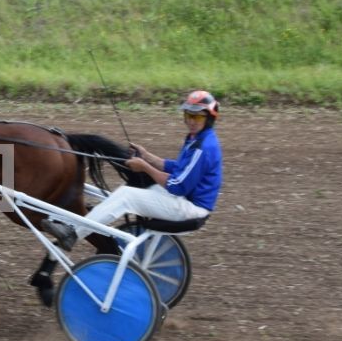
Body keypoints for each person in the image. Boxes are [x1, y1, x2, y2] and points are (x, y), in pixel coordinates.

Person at [42, 91, 223, 250]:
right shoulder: (195, 138)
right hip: (184, 199)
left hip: (190, 207)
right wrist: (147, 156)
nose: (191, 121)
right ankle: (79, 224)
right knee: (128, 193)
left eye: (198, 117)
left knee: (128, 196)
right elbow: (179, 168)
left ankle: (72, 234)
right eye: (188, 115)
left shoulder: (202, 148)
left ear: (209, 118)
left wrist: (145, 167)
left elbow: (178, 185)